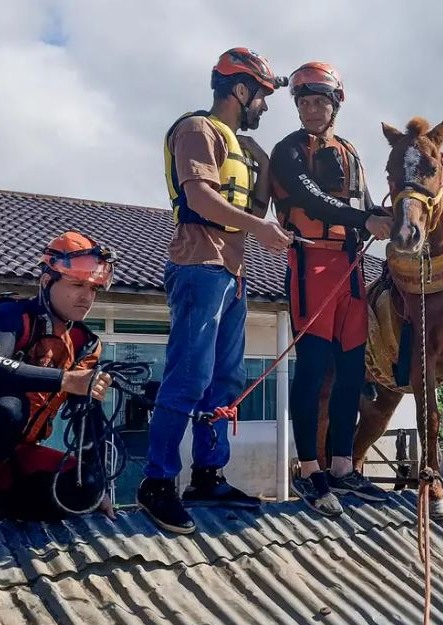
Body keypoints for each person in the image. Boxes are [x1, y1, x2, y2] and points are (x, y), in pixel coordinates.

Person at [137, 47, 292, 534]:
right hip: (198, 266)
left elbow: (280, 194)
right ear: (240, 90)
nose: (264, 107)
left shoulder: (249, 150)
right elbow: (201, 196)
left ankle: (208, 474)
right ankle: (157, 482)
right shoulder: (196, 130)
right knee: (190, 375)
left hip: (234, 274)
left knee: (224, 381)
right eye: (263, 96)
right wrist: (260, 229)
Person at [270, 62, 393, 516]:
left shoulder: (350, 151)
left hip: (353, 267)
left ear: (335, 105)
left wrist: (396, 214)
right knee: (313, 370)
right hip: (313, 264)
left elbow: (362, 204)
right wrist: (365, 220)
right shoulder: (288, 151)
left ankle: (343, 467)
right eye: (304, 102)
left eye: (320, 101)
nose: (312, 109)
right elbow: (309, 199)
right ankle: (309, 470)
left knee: (351, 371)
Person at [0, 231, 115, 521]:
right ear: (46, 281)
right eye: (77, 285)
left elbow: (88, 418)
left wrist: (100, 488)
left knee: (84, 489)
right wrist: (66, 380)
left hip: (17, 456)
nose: (86, 297)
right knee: (9, 407)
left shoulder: (84, 344)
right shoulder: (11, 316)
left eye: (93, 289)